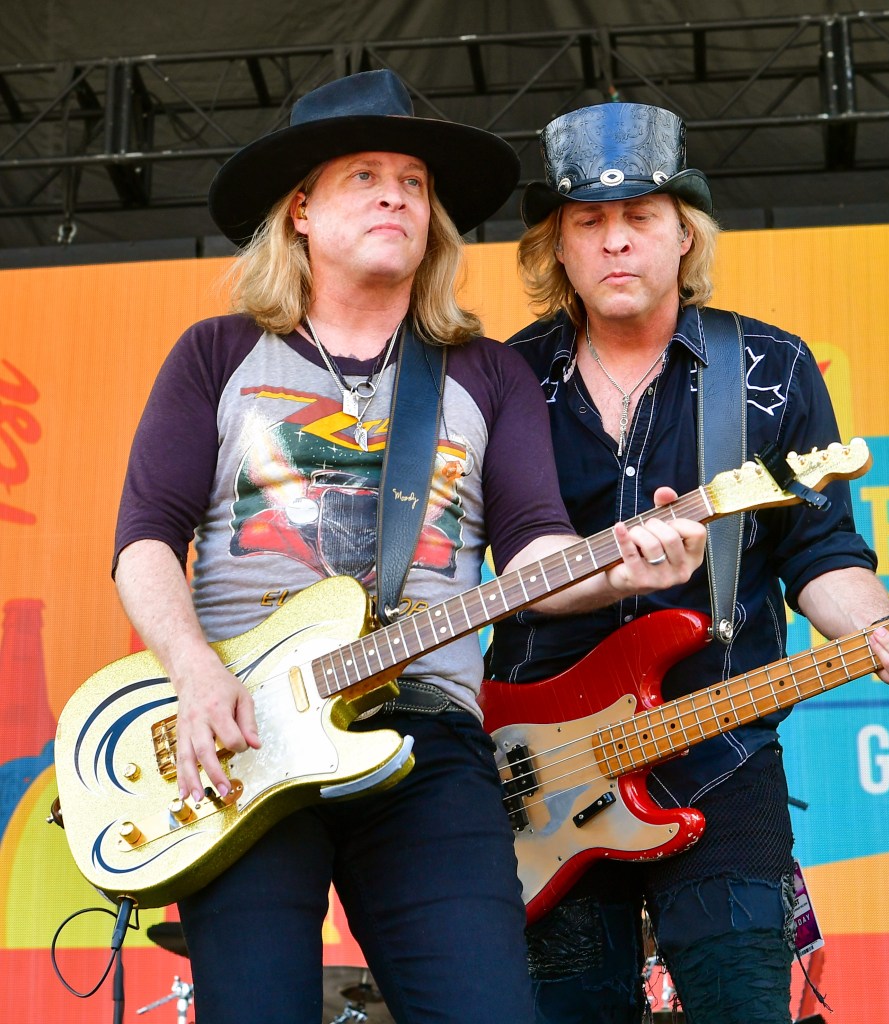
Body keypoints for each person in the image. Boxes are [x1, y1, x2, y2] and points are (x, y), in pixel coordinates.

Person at [111, 71, 706, 1024]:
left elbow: (529, 553)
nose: (397, 193)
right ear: (301, 210)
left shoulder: (485, 372)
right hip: (246, 731)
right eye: (365, 176)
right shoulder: (216, 354)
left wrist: (619, 569)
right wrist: (192, 673)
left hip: (425, 736)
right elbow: (144, 540)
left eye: (414, 182)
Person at [487, 100, 889, 1024]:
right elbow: (483, 569)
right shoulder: (506, 382)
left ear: (683, 235)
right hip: (539, 773)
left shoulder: (771, 370)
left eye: (640, 219)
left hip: (720, 753)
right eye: (588, 222)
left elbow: (821, 551)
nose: (615, 242)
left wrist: (877, 629)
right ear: (558, 248)